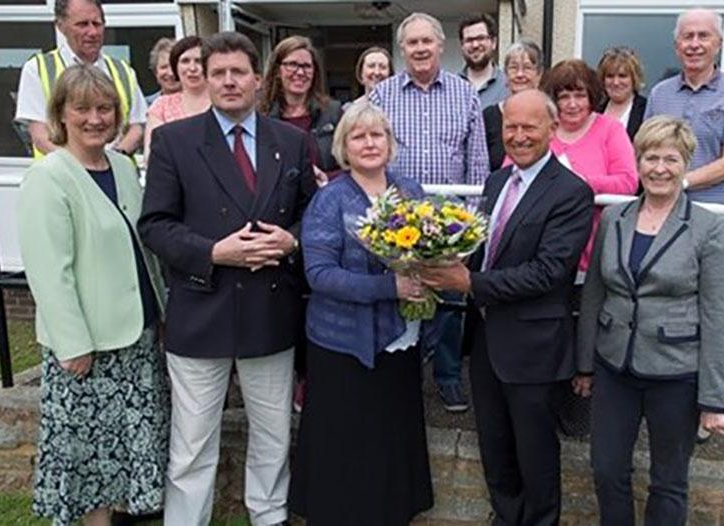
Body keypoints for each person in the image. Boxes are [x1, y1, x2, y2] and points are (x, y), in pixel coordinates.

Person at [138, 31, 315, 526]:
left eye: (239, 72)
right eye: (218, 73)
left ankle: (269, 514)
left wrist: (291, 241)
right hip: (201, 309)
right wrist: (214, 251)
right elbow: (155, 224)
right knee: (192, 440)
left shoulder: (292, 141)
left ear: (259, 79)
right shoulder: (174, 141)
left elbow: (311, 215)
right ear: (204, 79)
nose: (229, 81)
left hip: (270, 310)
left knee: (274, 431)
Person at [420, 89, 594, 525]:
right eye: (510, 127)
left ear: (552, 130)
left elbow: (548, 273)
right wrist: (451, 259)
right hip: (486, 342)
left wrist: (469, 281)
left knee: (535, 456)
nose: (517, 136)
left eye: (528, 127)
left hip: (533, 347)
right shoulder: (497, 181)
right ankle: (505, 517)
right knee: (495, 449)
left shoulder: (572, 192)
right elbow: (488, 249)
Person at [16, 65, 168, 526]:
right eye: (82, 108)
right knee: (90, 458)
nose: (95, 118)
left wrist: (159, 310)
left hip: (137, 337)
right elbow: (49, 272)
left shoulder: (122, 167)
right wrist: (73, 343)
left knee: (128, 447)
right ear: (61, 114)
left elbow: (141, 247)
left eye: (105, 108)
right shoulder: (50, 178)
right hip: (88, 348)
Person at [575, 116, 724, 525]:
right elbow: (594, 293)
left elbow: (718, 316)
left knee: (669, 480)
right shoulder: (614, 219)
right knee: (607, 470)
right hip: (615, 367)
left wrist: (713, 400)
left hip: (676, 373)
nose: (659, 168)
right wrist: (585, 364)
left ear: (685, 165)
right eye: (650, 158)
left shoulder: (710, 229)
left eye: (671, 159)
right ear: (638, 161)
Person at [289, 101, 434, 524]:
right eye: (359, 136)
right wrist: (389, 286)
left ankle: (390, 512)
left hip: (400, 338)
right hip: (343, 345)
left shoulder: (411, 191)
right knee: (346, 443)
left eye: (377, 135)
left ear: (390, 143)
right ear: (343, 148)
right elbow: (319, 273)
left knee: (391, 437)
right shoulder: (330, 199)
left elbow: (425, 252)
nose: (369, 143)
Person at [369, 12, 489, 413]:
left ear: (440, 46)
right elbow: (370, 152)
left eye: (427, 41)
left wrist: (470, 228)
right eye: (411, 43)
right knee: (401, 299)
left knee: (451, 301)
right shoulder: (382, 95)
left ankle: (449, 376)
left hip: (449, 222)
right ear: (402, 50)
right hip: (397, 221)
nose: (419, 49)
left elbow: (478, 165)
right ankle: (401, 376)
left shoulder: (464, 93)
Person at [643, 8, 724, 204]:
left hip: (712, 211)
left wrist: (682, 181)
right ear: (677, 46)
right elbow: (646, 151)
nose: (694, 44)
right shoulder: (659, 93)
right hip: (662, 208)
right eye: (688, 37)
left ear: (718, 44)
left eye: (703, 36)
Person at [542, 59, 638, 283]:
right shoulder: (542, 129)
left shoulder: (610, 129)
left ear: (592, 96)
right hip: (545, 250)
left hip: (595, 248)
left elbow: (628, 182)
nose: (572, 104)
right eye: (564, 97)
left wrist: (581, 183)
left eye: (580, 95)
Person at [15, 0, 147, 158]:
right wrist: (80, 166)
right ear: (60, 26)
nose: (92, 32)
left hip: (115, 175)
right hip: (60, 176)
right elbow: (39, 135)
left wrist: (114, 160)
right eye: (82, 24)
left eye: (97, 24)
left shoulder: (124, 71)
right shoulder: (37, 69)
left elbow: (137, 127)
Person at [259, 35, 344, 184]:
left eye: (306, 66)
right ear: (278, 71)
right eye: (292, 64)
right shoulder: (261, 115)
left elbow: (353, 164)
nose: (300, 72)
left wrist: (326, 178)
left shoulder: (333, 112)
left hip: (322, 198)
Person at [144, 36, 209, 162]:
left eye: (198, 61)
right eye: (185, 61)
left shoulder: (221, 103)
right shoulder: (161, 106)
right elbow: (152, 155)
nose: (192, 68)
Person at [483, 40, 543, 171]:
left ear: (539, 74)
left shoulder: (548, 114)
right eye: (513, 68)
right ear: (505, 74)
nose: (520, 74)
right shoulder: (489, 116)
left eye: (527, 68)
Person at [459, 13, 508, 110]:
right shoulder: (451, 87)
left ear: (494, 43)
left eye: (480, 38)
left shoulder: (507, 86)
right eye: (469, 40)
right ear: (462, 46)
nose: (475, 45)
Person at [598, 46, 647, 141]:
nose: (616, 82)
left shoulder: (646, 110)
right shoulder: (594, 111)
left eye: (622, 76)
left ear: (634, 78)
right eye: (610, 76)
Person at [146, 37, 180, 105]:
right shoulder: (145, 105)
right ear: (156, 72)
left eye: (175, 67)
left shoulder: (199, 104)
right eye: (164, 67)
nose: (171, 73)